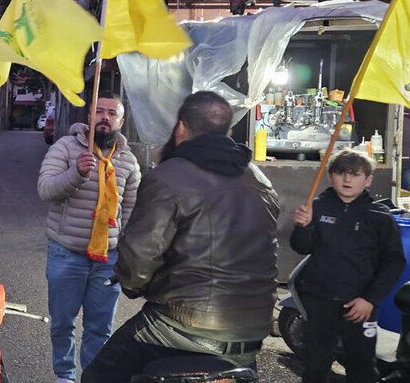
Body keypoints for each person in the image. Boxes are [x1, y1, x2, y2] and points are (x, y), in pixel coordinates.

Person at [82, 91, 280, 382]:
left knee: (97, 377)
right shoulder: (261, 180)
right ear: (228, 132)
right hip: (251, 333)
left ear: (182, 128)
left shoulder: (168, 176)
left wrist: (133, 286)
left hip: (180, 328)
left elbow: (138, 262)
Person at [38, 91, 141, 383]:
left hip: (108, 259)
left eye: (111, 113)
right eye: (99, 111)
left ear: (121, 121)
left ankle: (93, 377)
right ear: (89, 117)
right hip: (66, 253)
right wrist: (76, 174)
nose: (105, 118)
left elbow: (131, 211)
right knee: (62, 324)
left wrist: (126, 252)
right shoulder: (66, 148)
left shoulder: (129, 162)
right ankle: (65, 376)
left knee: (99, 328)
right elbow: (45, 190)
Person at [290, 149, 405, 383]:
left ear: (368, 179)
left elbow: (394, 262)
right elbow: (301, 247)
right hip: (320, 302)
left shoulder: (380, 216)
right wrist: (303, 226)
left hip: (360, 305)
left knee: (362, 365)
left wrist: (370, 299)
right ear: (330, 177)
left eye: (355, 174)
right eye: (341, 173)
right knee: (315, 364)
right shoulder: (317, 206)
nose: (347, 179)